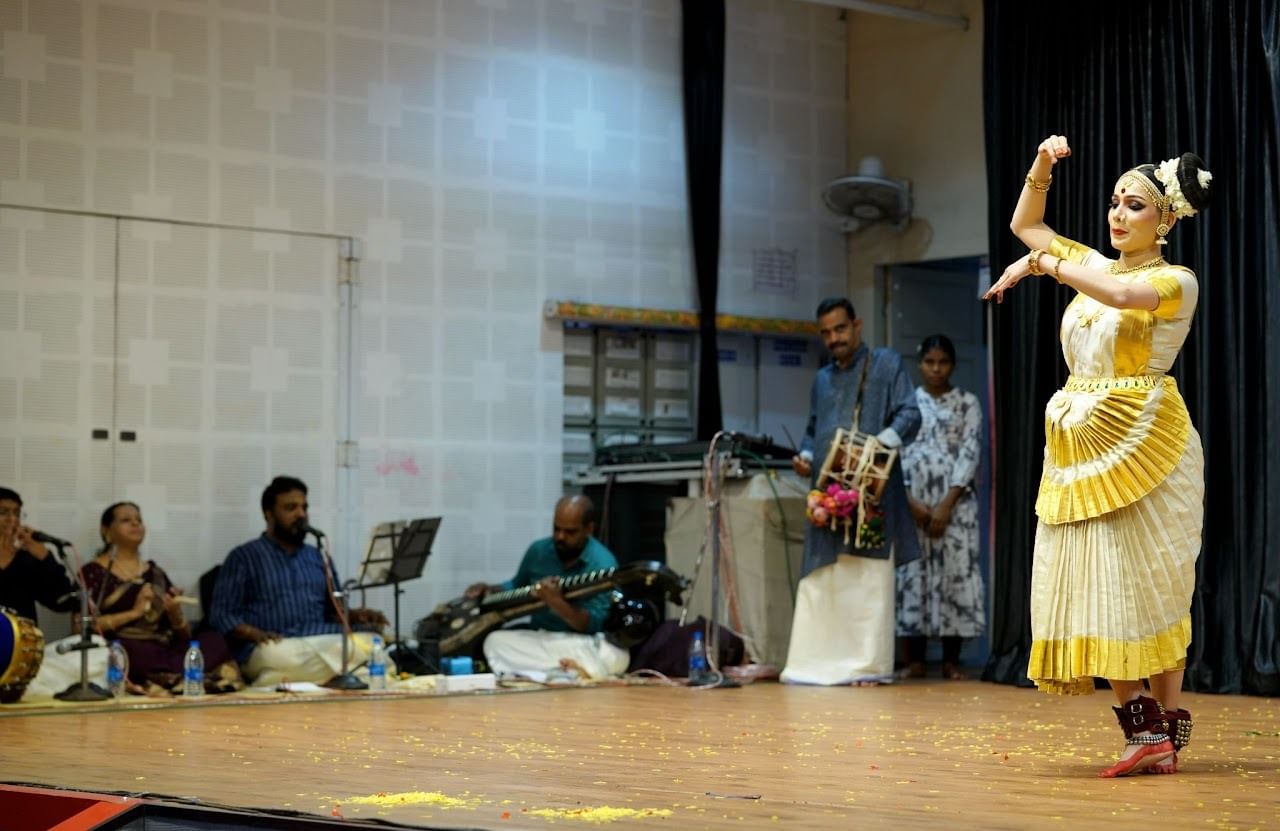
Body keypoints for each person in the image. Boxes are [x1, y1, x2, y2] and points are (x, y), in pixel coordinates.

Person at [985, 134, 1211, 777]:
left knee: (1157, 582)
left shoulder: (1176, 280)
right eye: (1114, 202)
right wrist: (1041, 164)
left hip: (1145, 438)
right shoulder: (1096, 263)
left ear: (1165, 220)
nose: (1117, 214)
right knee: (1093, 575)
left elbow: (1116, 297)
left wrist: (1042, 266)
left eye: (1134, 205)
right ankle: (1148, 733)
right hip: (1082, 440)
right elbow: (1026, 224)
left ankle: (1160, 733)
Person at [782, 298, 921, 686]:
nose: (834, 338)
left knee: (866, 580)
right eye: (826, 332)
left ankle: (866, 667)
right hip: (827, 495)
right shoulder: (822, 379)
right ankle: (814, 665)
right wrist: (807, 454)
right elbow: (813, 428)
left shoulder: (886, 363)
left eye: (840, 329)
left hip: (872, 496)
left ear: (856, 326)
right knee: (823, 580)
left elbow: (910, 415)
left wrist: (871, 451)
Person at [209, 476, 387, 685]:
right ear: (269, 514)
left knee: (373, 643)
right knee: (275, 656)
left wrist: (358, 616)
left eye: (304, 507)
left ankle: (308, 678)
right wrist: (255, 633)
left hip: (321, 637)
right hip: (279, 643)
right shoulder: (244, 557)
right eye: (291, 508)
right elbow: (222, 615)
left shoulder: (318, 557)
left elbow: (334, 610)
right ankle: (339, 676)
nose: (301, 514)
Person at [895, 334, 985, 681]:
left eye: (943, 362)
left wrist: (946, 504)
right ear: (920, 364)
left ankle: (952, 660)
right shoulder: (907, 404)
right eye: (929, 362)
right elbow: (895, 454)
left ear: (952, 365)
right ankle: (915, 659)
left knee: (955, 576)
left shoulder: (967, 403)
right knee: (913, 576)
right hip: (913, 505)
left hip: (955, 506)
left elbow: (970, 450)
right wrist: (910, 503)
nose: (936, 369)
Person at [80, 502, 241, 694]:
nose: (135, 524)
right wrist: (134, 613)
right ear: (106, 530)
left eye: (139, 520)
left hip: (162, 648)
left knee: (213, 640)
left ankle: (169, 678)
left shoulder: (155, 572)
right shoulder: (93, 573)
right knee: (130, 652)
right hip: (125, 646)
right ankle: (174, 678)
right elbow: (80, 627)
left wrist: (175, 614)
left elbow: (183, 634)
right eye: (126, 520)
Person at [467, 495, 628, 681]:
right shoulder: (538, 551)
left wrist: (556, 602)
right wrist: (489, 589)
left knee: (612, 653)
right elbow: (516, 586)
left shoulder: (603, 563)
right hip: (544, 640)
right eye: (556, 529)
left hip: (582, 641)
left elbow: (594, 624)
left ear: (589, 529)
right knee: (494, 642)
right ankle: (568, 672)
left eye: (570, 532)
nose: (560, 537)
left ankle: (549, 673)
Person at [0, 487, 78, 622]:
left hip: (22, 640)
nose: (12, 519)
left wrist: (45, 557)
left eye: (17, 513)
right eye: (3, 512)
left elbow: (62, 602)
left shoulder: (27, 559)